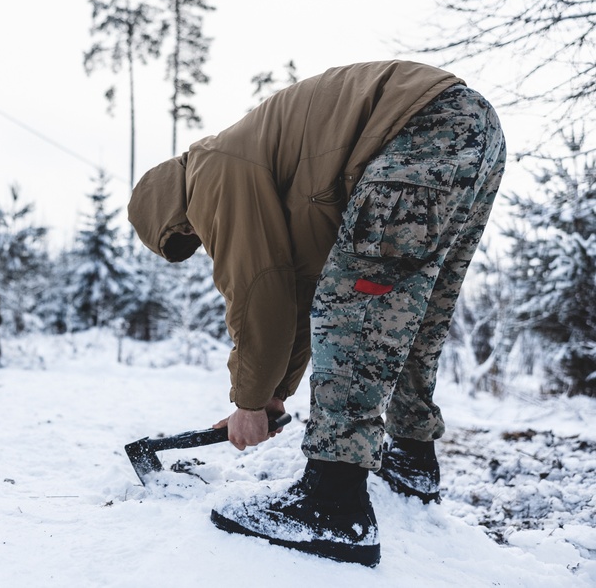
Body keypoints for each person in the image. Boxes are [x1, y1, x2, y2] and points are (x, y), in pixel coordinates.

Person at [127, 60, 505, 567]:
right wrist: (274, 396)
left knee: (359, 304)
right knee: (410, 310)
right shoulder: (257, 159)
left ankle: (332, 503)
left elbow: (259, 292)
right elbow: (298, 292)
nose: (200, 239)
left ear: (168, 210)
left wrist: (249, 400)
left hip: (418, 129)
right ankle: (413, 459)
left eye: (187, 235)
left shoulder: (211, 171)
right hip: (470, 129)